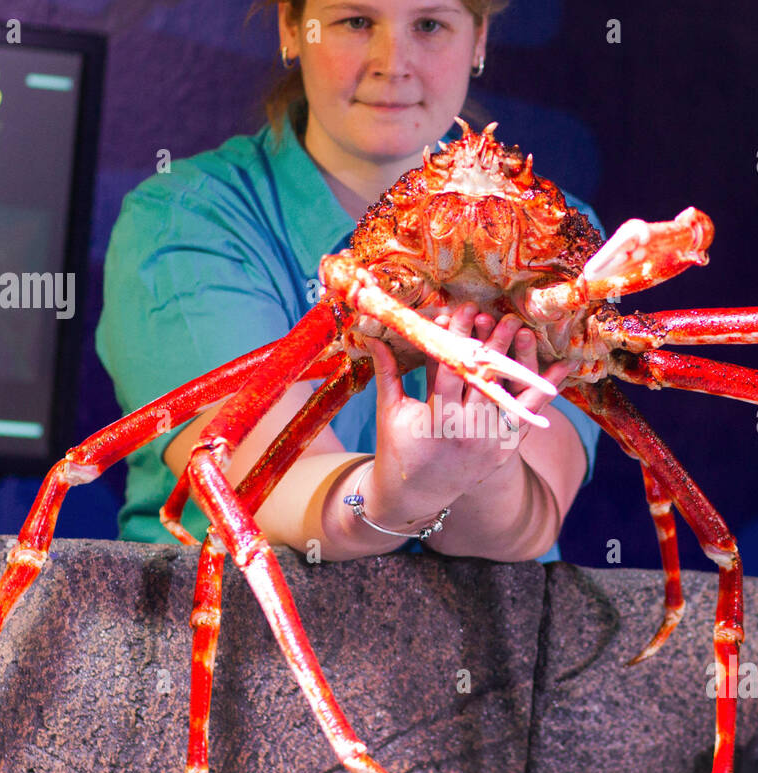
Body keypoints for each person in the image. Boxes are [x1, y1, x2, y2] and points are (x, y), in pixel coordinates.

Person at [97, 0, 602, 564]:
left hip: (492, 639)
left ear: (479, 39)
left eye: (429, 24)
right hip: (241, 631)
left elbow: (520, 530)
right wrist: (392, 496)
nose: (393, 62)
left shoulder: (556, 237)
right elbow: (267, 492)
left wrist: (479, 465)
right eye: (356, 21)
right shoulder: (185, 218)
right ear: (293, 28)